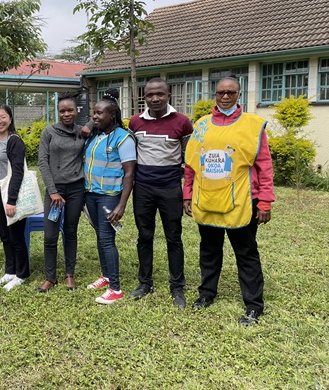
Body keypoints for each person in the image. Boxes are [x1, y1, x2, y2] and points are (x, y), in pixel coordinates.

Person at [183, 76, 274, 326]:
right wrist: (187, 194)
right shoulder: (201, 125)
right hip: (208, 199)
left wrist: (265, 201)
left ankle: (254, 305)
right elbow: (191, 165)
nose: (225, 96)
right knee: (209, 251)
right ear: (215, 94)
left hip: (243, 201)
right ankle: (206, 294)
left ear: (239, 95)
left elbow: (264, 165)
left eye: (230, 92)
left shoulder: (253, 126)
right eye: (221, 92)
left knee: (246, 253)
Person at [127, 78, 194, 309]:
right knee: (144, 237)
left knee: (173, 238)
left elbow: (190, 159)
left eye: (160, 94)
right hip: (143, 188)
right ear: (144, 98)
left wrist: (188, 193)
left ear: (168, 96)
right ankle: (145, 283)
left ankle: (177, 287)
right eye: (150, 95)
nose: (155, 99)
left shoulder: (183, 123)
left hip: (170, 189)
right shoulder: (135, 122)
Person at [84, 90, 136, 304]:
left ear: (112, 115)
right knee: (100, 236)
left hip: (109, 197)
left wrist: (122, 205)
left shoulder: (123, 138)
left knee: (107, 240)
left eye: (99, 114)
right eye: (93, 113)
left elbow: (130, 173)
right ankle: (105, 276)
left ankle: (115, 288)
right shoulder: (97, 135)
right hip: (91, 194)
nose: (95, 117)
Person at [36, 93, 85, 292]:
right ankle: (50, 277)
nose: (66, 114)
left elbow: (107, 115)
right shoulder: (49, 132)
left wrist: (89, 124)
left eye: (70, 110)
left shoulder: (83, 132)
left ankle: (69, 274)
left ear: (76, 111)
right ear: (58, 112)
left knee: (71, 231)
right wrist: (53, 190)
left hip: (76, 189)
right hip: (54, 191)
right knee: (50, 235)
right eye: (62, 111)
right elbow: (42, 162)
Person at [0, 104, 30, 291]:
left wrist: (11, 200)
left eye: (3, 117)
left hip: (12, 195)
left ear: (10, 119)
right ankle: (10, 271)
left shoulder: (14, 141)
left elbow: (18, 172)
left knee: (16, 236)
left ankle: (22, 274)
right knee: (5, 236)